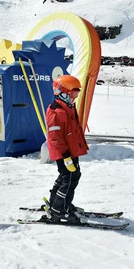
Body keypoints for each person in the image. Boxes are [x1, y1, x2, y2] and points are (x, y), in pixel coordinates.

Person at [45, 75, 89, 223]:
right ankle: (59, 210)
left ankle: (56, 203)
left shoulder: (68, 107)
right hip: (64, 153)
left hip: (70, 151)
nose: (74, 98)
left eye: (76, 94)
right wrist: (65, 156)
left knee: (67, 177)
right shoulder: (57, 112)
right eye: (73, 95)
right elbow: (55, 138)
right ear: (61, 93)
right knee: (70, 179)